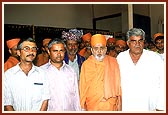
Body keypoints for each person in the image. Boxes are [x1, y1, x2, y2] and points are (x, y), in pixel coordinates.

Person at [117, 28, 165, 111]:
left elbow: (164, 83)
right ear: (128, 43)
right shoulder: (121, 58)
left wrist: (161, 107)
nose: (137, 44)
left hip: (150, 107)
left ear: (144, 42)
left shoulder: (155, 58)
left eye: (140, 41)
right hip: (126, 106)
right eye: (133, 41)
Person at [4, 37, 50, 111]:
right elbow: (7, 103)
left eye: (34, 49)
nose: (31, 52)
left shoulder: (42, 74)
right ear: (18, 52)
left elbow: (45, 100)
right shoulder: (8, 75)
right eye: (26, 49)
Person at [79, 34, 122, 111]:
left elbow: (119, 85)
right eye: (96, 48)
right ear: (92, 50)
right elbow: (82, 87)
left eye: (101, 48)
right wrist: (82, 106)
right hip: (93, 106)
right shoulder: (86, 65)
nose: (99, 51)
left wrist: (119, 104)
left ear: (105, 49)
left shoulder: (113, 62)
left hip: (111, 105)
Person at [40, 38, 81, 111]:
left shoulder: (71, 71)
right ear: (49, 52)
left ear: (65, 51)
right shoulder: (41, 72)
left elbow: (76, 97)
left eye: (61, 51)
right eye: (55, 51)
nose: (59, 54)